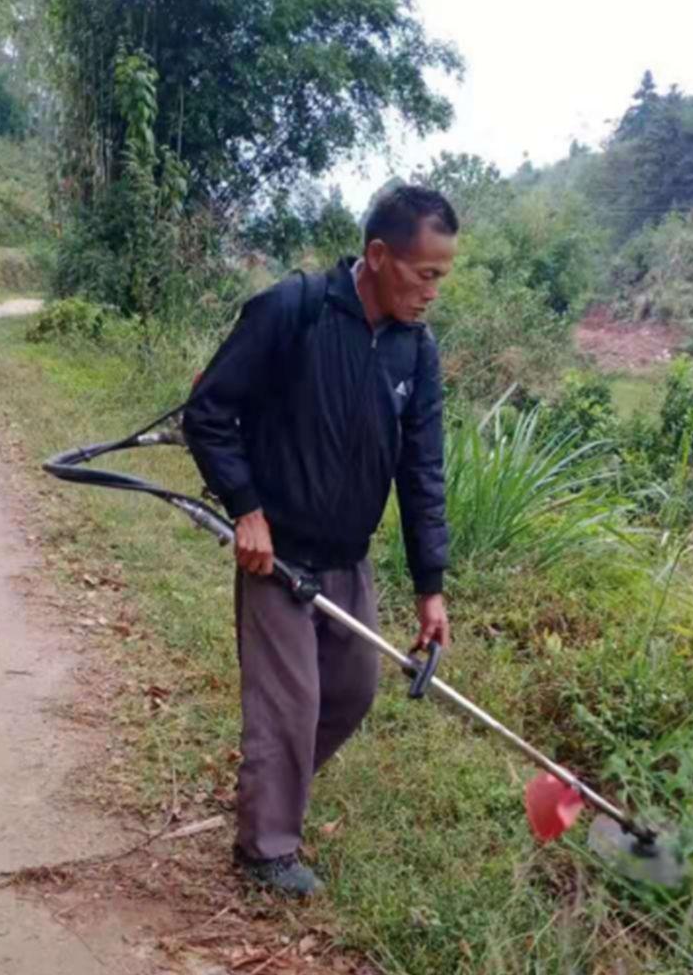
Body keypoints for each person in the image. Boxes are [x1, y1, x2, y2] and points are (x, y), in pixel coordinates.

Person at [182, 185, 457, 896]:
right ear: (377, 256)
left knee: (352, 693)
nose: (432, 292)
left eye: (442, 278)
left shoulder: (415, 353)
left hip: (348, 556)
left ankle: (268, 794)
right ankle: (265, 851)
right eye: (424, 274)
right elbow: (208, 412)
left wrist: (431, 587)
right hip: (276, 553)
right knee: (287, 704)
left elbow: (422, 470)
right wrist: (246, 508)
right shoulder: (293, 310)